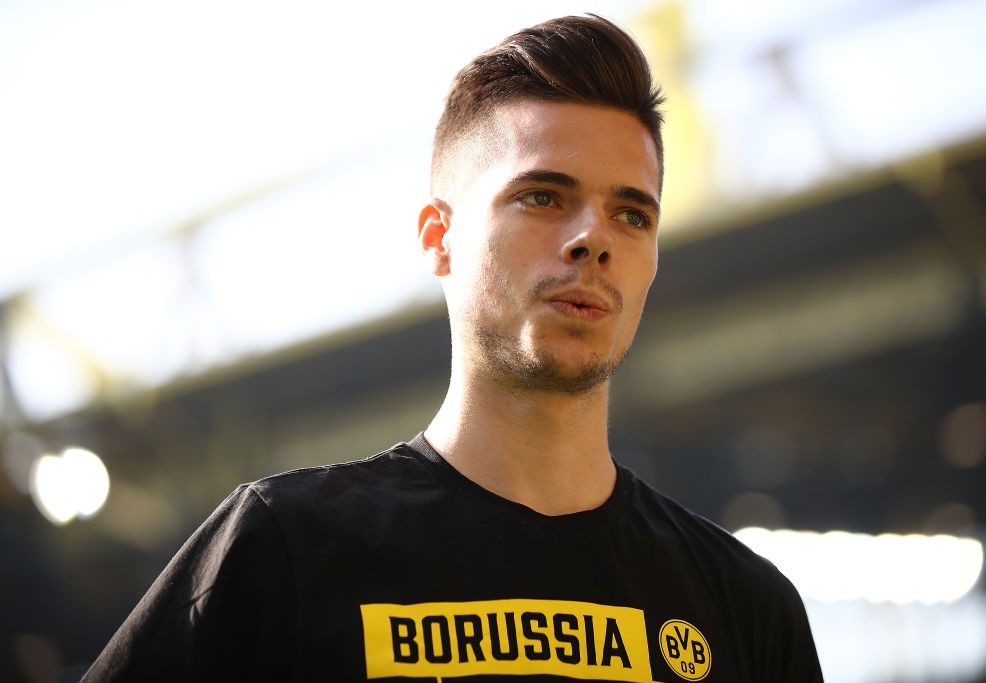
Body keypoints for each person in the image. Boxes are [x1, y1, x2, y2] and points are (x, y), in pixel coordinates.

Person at [84, 14, 823, 682]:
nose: (593, 238)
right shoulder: (284, 547)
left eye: (632, 214)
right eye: (543, 196)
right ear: (440, 239)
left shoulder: (746, 608)